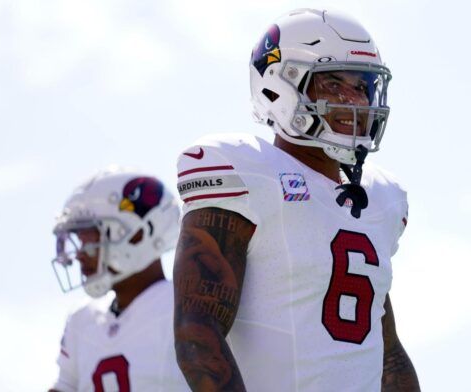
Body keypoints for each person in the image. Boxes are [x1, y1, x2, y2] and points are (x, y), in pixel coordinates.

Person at [173, 8, 420, 391]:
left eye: (361, 86)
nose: (353, 100)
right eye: (333, 83)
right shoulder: (247, 172)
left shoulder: (380, 199)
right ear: (278, 88)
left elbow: (386, 351)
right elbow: (197, 334)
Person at [48, 168, 189, 391]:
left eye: (90, 238)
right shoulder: (81, 321)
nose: (79, 253)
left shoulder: (186, 307)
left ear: (138, 234)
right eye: (79, 240)